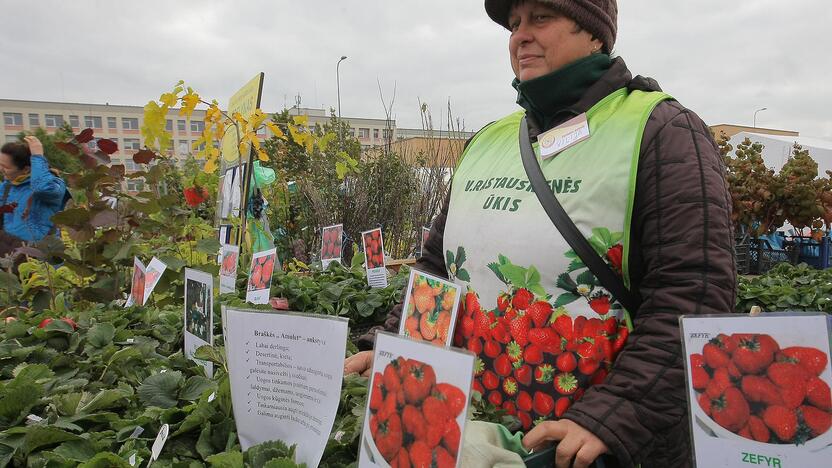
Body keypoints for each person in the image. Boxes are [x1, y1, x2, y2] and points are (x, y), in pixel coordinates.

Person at [346, 1, 735, 466]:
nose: (519, 37)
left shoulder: (662, 130)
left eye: (541, 19)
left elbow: (694, 293)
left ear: (594, 33)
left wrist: (611, 415)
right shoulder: (487, 142)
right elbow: (437, 270)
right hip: (467, 433)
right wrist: (396, 346)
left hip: (592, 451)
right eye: (513, 25)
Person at [0, 136, 70, 249]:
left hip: (41, 258)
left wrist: (37, 156)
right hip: (11, 256)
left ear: (26, 169)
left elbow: (42, 188)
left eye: (5, 167)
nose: (0, 169)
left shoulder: (54, 184)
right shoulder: (7, 186)